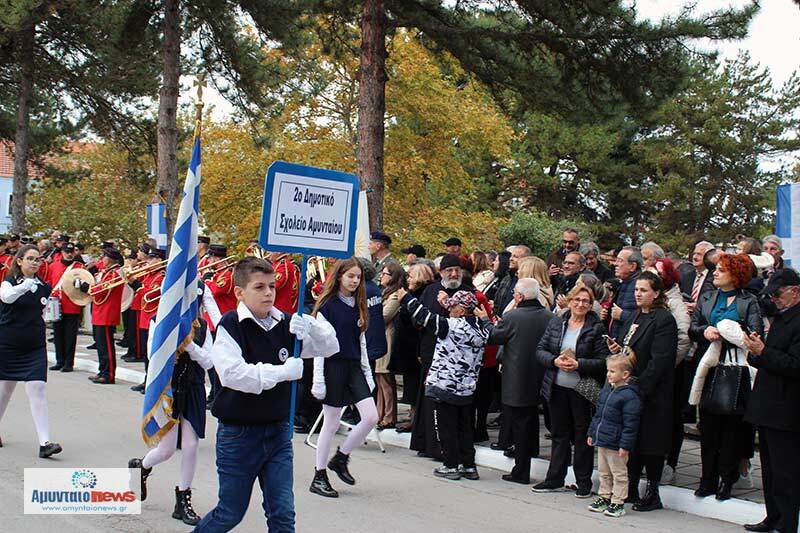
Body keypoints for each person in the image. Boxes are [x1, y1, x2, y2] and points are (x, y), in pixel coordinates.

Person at [192, 257, 336, 531]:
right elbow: (233, 375)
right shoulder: (231, 325)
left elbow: (330, 347)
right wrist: (282, 372)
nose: (268, 293)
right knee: (230, 513)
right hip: (239, 434)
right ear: (239, 292)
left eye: (271, 286)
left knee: (283, 514)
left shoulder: (286, 323)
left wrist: (312, 327)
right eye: (259, 287)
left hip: (278, 431)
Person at [688, 253, 763, 501]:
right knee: (708, 427)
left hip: (736, 369)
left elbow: (755, 335)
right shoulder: (707, 297)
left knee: (732, 428)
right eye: (716, 269)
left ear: (736, 275)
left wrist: (730, 333)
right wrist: (705, 331)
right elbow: (693, 328)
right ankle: (707, 479)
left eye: (721, 270)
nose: (715, 273)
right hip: (709, 367)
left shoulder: (749, 301)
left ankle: (727, 480)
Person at [128, 315, 213, 526]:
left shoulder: (202, 326)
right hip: (169, 389)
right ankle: (142, 466)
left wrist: (190, 346)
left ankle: (182, 500)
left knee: (190, 445)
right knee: (166, 450)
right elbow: (152, 355)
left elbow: (209, 361)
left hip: (193, 388)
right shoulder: (160, 319)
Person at [399, 287, 488, 481]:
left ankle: (450, 465)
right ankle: (469, 466)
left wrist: (406, 298)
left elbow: (424, 317)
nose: (449, 309)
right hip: (467, 388)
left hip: (446, 386)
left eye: (453, 306)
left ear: (462, 310)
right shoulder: (482, 328)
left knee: (446, 428)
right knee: (464, 428)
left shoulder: (452, 325)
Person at [309, 258, 380, 499]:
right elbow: (319, 346)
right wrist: (318, 379)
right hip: (333, 366)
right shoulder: (327, 306)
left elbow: (361, 342)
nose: (355, 280)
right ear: (339, 276)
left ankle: (341, 457)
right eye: (350, 276)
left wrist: (367, 374)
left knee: (371, 417)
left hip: (354, 367)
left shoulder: (358, 305)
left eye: (358, 277)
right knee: (330, 423)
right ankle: (319, 474)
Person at [607, 271, 677, 512]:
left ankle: (652, 493)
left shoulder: (664, 319)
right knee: (634, 440)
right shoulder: (636, 315)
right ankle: (631, 487)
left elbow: (660, 361)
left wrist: (637, 388)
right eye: (636, 289)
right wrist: (618, 349)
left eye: (644, 290)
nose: (638, 294)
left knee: (652, 443)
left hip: (652, 391)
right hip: (631, 387)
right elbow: (629, 346)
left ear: (656, 293)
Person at [534, 285, 608, 497]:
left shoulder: (596, 327)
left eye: (586, 301)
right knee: (559, 434)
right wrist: (554, 361)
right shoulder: (557, 322)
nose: (580, 304)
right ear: (570, 301)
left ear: (591, 304)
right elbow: (540, 350)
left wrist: (579, 364)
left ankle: (583, 482)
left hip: (583, 388)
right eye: (577, 300)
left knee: (582, 436)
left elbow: (604, 360)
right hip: (557, 385)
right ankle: (554, 479)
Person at [742, 269, 800, 533]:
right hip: (767, 403)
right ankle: (772, 516)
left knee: (785, 470)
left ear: (795, 291)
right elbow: (769, 357)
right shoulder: (781, 317)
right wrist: (755, 350)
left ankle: (787, 523)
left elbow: (794, 365)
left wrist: (764, 351)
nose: (774, 300)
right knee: (769, 468)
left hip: (786, 407)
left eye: (777, 294)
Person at [482, 278, 554, 484]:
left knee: (521, 425)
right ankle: (530, 456)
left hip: (518, 379)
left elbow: (494, 336)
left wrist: (485, 319)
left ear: (520, 296)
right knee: (532, 422)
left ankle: (521, 471)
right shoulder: (550, 316)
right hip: (542, 376)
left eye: (515, 293)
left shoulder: (513, 316)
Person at [0, 245, 62, 457]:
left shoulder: (43, 287)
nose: (35, 263)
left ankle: (45, 443)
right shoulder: (9, 283)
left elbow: (44, 313)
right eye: (30, 259)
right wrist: (25, 285)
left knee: (37, 388)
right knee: (4, 391)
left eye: (38, 259)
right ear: (19, 261)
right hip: (8, 345)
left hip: (34, 346)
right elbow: (7, 298)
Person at [411, 254, 472, 459]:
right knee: (428, 399)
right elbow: (419, 320)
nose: (454, 274)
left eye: (457, 270)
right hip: (431, 351)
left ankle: (444, 448)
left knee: (446, 404)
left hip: (456, 358)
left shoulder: (467, 292)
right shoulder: (431, 290)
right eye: (449, 271)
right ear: (441, 272)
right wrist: (420, 350)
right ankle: (427, 443)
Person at [648, 258, 691, 485]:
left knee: (671, 418)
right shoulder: (655, 301)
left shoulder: (675, 304)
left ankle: (669, 463)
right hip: (653, 369)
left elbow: (683, 337)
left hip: (669, 371)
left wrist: (666, 364)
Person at [587, 354, 642, 518]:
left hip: (616, 443)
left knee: (619, 474)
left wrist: (625, 445)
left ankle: (618, 501)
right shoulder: (606, 392)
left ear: (625, 374)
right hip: (603, 440)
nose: (608, 374)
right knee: (603, 471)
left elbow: (631, 424)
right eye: (608, 370)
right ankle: (604, 496)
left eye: (612, 371)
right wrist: (592, 433)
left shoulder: (630, 396)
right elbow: (598, 415)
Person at [390, 262, 434, 433]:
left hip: (414, 345)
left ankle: (415, 418)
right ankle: (412, 415)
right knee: (410, 384)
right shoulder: (412, 293)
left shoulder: (421, 294)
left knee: (414, 385)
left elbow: (417, 320)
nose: (408, 279)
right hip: (407, 345)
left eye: (411, 276)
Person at [84, 247, 125, 384]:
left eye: (104, 256)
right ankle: (102, 371)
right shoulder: (106, 272)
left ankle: (109, 374)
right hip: (100, 312)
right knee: (101, 346)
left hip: (107, 314)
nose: (102, 259)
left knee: (106, 346)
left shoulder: (114, 274)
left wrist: (87, 288)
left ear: (111, 259)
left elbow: (101, 290)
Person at [131, 248, 167, 393]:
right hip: (144, 317)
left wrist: (136, 284)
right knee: (146, 353)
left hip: (154, 316)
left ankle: (153, 382)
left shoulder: (161, 276)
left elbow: (150, 294)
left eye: (152, 259)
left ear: (159, 260)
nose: (148, 262)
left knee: (153, 353)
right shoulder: (148, 274)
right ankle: (147, 379)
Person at [376, 261, 405, 430]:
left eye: (385, 273)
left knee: (386, 379)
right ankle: (379, 414)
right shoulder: (385, 293)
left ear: (393, 276)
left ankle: (389, 416)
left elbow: (384, 316)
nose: (381, 276)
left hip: (388, 338)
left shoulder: (395, 296)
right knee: (380, 379)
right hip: (380, 338)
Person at [47, 243, 82, 372]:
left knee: (70, 336)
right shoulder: (53, 266)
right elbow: (49, 282)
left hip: (72, 305)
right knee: (58, 334)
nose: (69, 254)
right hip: (56, 304)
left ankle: (68, 363)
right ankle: (59, 361)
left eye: (71, 252)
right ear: (62, 252)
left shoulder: (79, 267)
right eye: (67, 252)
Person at [607, 247, 642, 340]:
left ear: (632, 266)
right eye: (616, 260)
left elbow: (645, 319)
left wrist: (622, 315)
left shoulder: (639, 286)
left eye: (620, 261)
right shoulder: (624, 283)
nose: (615, 264)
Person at [679, 240, 716, 313]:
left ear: (709, 257)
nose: (694, 257)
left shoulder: (715, 277)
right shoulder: (687, 276)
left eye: (699, 254)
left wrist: (698, 307)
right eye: (694, 254)